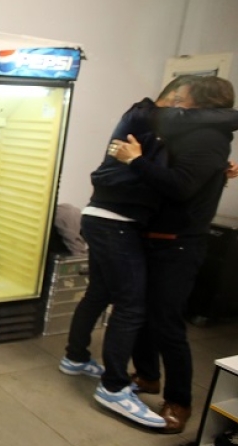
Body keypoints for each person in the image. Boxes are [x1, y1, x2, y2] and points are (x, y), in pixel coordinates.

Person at [61, 75, 238, 430]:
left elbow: (181, 185)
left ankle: (178, 400)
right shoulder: (172, 129)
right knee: (139, 311)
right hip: (150, 236)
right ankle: (146, 376)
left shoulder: (208, 136)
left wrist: (136, 162)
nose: (175, 106)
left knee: (166, 322)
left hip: (178, 242)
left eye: (182, 99)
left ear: (199, 105)